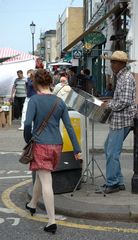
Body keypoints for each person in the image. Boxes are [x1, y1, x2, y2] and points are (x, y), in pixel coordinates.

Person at [24, 69, 82, 234]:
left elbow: (27, 124)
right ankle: (33, 204)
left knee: (46, 180)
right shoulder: (59, 102)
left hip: (41, 144)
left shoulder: (34, 100)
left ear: (36, 84)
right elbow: (69, 127)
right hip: (57, 145)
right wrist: (77, 149)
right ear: (50, 83)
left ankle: (51, 221)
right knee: (41, 175)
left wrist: (28, 139)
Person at [96, 50, 136, 194]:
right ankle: (118, 181)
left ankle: (112, 183)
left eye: (113, 62)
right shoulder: (121, 77)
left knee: (112, 152)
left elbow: (124, 101)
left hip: (121, 120)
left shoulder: (125, 78)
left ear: (121, 64)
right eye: (111, 61)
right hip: (119, 120)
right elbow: (121, 99)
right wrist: (109, 101)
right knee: (109, 148)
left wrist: (109, 105)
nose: (111, 64)